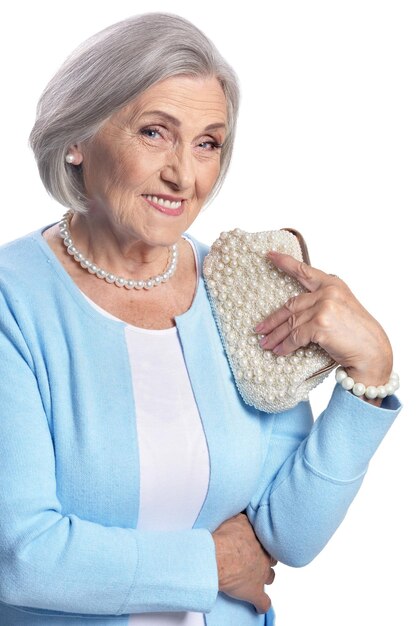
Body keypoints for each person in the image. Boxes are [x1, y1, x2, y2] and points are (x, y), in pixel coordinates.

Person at [0, 12, 401, 626]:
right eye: (155, 133)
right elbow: (23, 555)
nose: (184, 175)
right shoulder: (14, 302)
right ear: (76, 138)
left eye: (208, 143)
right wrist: (210, 563)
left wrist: (369, 380)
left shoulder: (236, 289)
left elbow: (287, 535)